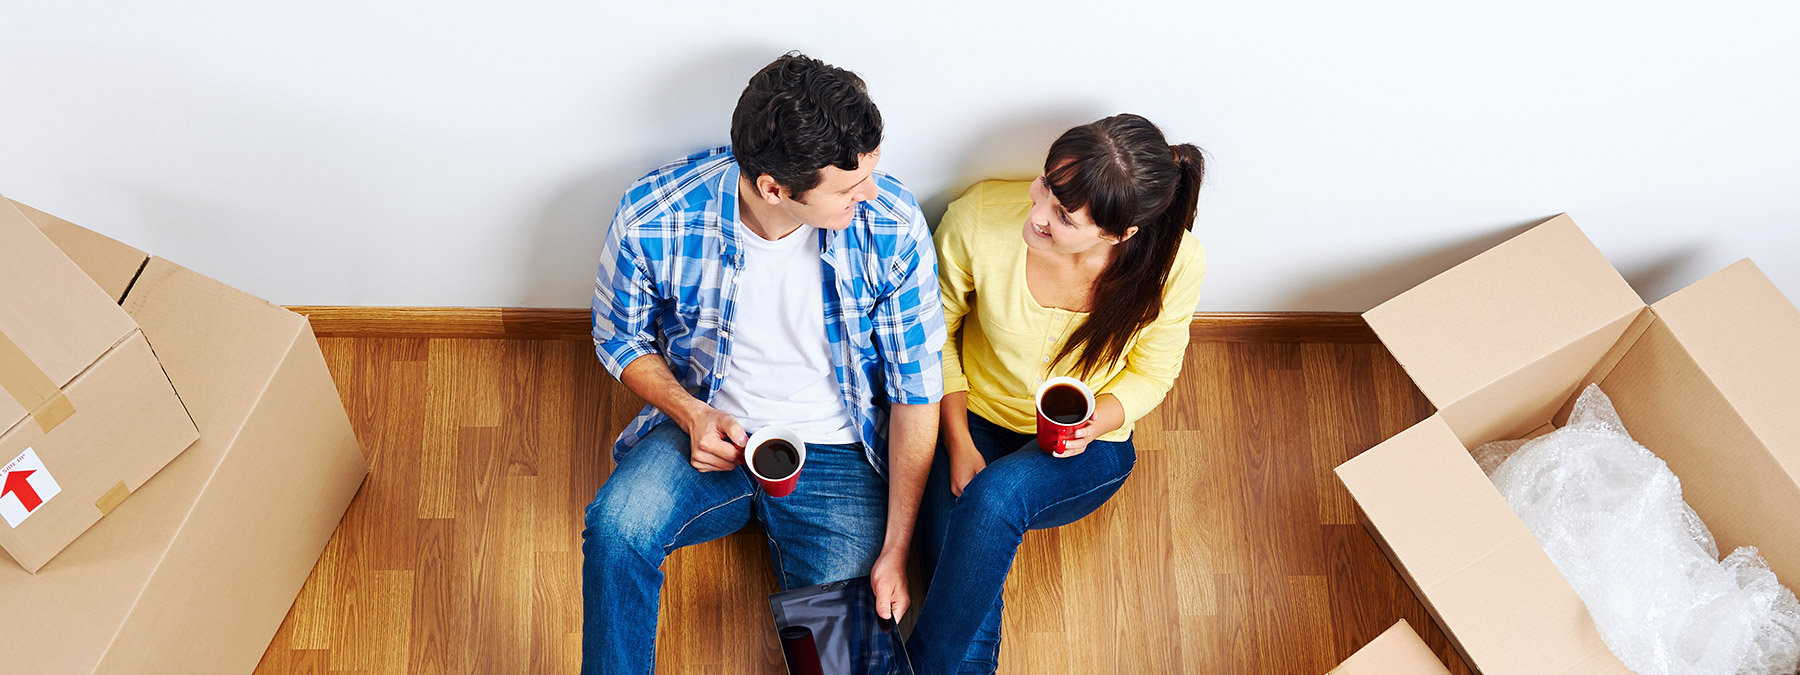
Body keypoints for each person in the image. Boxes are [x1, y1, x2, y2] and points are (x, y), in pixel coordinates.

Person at [582, 52, 945, 674]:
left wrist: (895, 549)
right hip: (709, 427)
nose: (873, 193)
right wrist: (690, 413)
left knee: (843, 657)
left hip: (837, 454)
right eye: (850, 187)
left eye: (871, 174)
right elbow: (619, 338)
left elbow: (917, 390)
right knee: (617, 529)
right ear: (775, 188)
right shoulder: (656, 217)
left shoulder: (891, 226)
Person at [908, 114, 1208, 674]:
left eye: (1063, 216)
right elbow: (932, 340)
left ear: (1119, 235)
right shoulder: (977, 220)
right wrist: (957, 440)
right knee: (972, 558)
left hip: (1088, 446)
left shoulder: (1176, 262)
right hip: (971, 421)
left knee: (994, 503)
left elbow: (1153, 373)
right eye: (1045, 183)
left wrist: (1093, 424)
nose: (1037, 213)